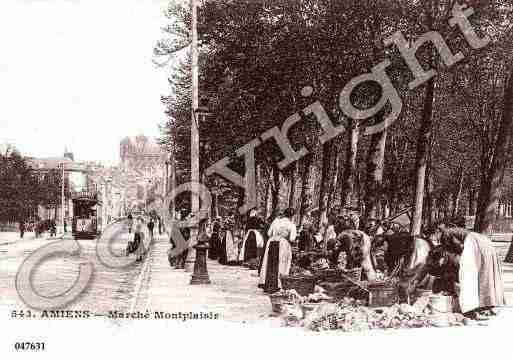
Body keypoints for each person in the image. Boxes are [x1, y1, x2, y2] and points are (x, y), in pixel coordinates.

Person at [436, 226, 505, 320]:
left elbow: (459, 246)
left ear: (439, 231)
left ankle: (470, 309)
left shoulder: (446, 234)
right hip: (485, 244)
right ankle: (488, 305)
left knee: (467, 275)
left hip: (474, 242)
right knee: (485, 275)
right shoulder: (455, 231)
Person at [259, 208, 297, 293]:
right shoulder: (291, 225)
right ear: (292, 216)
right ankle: (278, 285)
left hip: (272, 242)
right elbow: (292, 238)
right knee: (281, 264)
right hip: (283, 243)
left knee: (270, 262)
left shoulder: (275, 221)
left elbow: (269, 233)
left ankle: (268, 284)